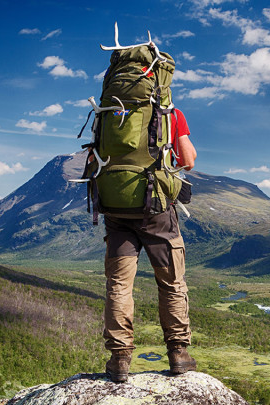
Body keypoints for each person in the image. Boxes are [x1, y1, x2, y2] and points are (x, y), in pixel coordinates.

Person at [103, 108, 197, 383]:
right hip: (158, 212)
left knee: (119, 285)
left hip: (117, 212)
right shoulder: (170, 113)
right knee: (171, 283)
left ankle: (119, 359)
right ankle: (178, 354)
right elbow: (188, 160)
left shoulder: (109, 111)